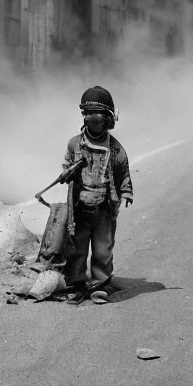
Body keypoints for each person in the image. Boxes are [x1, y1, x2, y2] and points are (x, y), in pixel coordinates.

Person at [62, 86, 133, 301]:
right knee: (77, 248)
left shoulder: (116, 149)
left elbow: (124, 172)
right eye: (90, 118)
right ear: (85, 118)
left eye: (99, 119)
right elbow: (66, 165)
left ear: (109, 120)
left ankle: (100, 284)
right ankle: (75, 283)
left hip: (104, 208)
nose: (95, 123)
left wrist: (126, 192)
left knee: (103, 249)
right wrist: (66, 173)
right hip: (80, 207)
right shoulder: (75, 144)